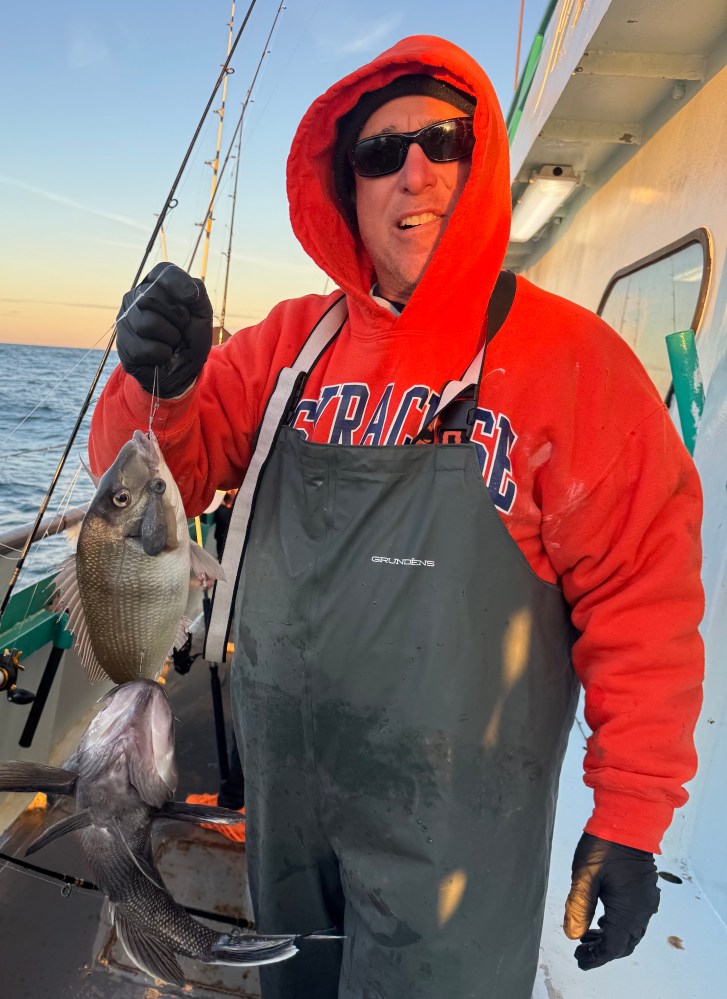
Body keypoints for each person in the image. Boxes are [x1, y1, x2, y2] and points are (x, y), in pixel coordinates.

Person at [89, 35, 704, 999]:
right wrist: (152, 380)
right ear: (348, 188)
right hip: (288, 817)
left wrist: (627, 817)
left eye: (441, 139)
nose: (412, 169)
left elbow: (644, 603)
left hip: (455, 846)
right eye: (379, 152)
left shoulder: (573, 363)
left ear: (479, 160)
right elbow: (163, 477)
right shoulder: (291, 343)